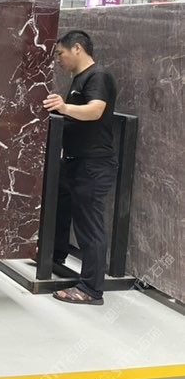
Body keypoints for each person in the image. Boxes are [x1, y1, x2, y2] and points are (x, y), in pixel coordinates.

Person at [43, 30, 118, 306]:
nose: (58, 59)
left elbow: (96, 110)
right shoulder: (80, 78)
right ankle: (55, 257)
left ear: (77, 48)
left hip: (94, 164)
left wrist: (64, 107)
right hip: (75, 161)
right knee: (60, 210)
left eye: (60, 53)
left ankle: (91, 289)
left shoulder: (98, 76)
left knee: (89, 226)